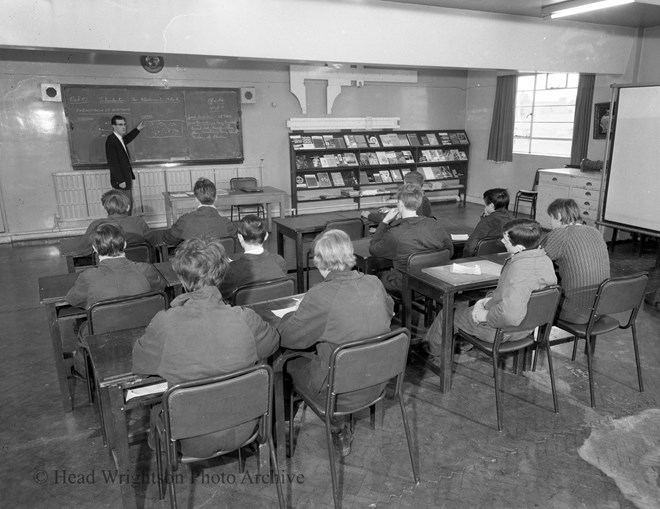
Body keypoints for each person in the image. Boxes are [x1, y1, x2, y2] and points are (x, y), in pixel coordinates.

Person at [132, 237, 279, 458]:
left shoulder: (165, 322)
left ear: (181, 276)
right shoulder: (245, 318)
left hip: (189, 440)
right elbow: (272, 343)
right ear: (221, 274)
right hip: (246, 428)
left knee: (155, 409)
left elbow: (140, 364)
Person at [278, 229, 394, 457]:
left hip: (339, 391)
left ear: (320, 262)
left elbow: (290, 337)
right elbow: (389, 311)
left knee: (282, 364)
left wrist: (290, 318)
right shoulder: (374, 283)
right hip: (378, 381)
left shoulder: (320, 294)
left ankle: (315, 429)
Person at [424, 219, 557, 355]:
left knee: (447, 315)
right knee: (475, 306)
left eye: (506, 239)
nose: (502, 241)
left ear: (520, 248)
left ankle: (431, 352)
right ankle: (465, 344)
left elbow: (511, 316)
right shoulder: (545, 260)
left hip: (502, 331)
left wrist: (485, 316)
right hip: (528, 328)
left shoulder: (518, 268)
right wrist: (487, 301)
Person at [65, 223, 166, 377]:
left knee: (82, 329)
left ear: (95, 248)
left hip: (104, 335)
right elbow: (161, 286)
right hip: (144, 328)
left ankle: (84, 373)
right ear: (125, 244)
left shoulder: (88, 277)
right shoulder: (144, 269)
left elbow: (72, 299)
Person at [369, 183, 453, 293]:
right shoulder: (434, 224)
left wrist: (385, 222)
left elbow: (374, 249)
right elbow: (449, 251)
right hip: (434, 280)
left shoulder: (396, 233)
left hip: (405, 284)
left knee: (373, 277)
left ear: (400, 203)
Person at [541, 198, 610, 323]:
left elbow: (535, 260)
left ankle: (538, 340)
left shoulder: (560, 234)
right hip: (600, 309)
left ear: (559, 216)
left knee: (535, 299)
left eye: (551, 217)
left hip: (574, 313)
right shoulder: (595, 231)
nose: (550, 222)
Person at [218, 214, 287, 300]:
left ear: (240, 238)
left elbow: (220, 295)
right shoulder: (280, 262)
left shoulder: (232, 270)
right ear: (266, 236)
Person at [157, 177, 238, 247]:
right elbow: (236, 241)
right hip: (218, 263)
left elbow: (169, 239)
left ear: (195, 199)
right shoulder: (226, 223)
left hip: (193, 262)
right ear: (216, 198)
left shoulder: (185, 220)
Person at [70, 189, 154, 256]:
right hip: (139, 266)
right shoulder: (138, 221)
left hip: (108, 270)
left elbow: (81, 250)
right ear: (128, 207)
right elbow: (153, 242)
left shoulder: (97, 225)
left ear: (105, 208)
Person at [105, 115, 144, 215]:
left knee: (128, 204)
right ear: (113, 126)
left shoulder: (119, 139)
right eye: (120, 124)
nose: (124, 127)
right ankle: (124, 226)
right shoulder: (111, 140)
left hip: (125, 178)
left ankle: (126, 223)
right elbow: (112, 163)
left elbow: (127, 139)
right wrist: (120, 180)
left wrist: (137, 129)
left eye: (124, 124)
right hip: (121, 181)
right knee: (124, 205)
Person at [361, 170, 433, 223]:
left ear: (407, 184)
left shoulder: (408, 198)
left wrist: (369, 215)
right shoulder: (423, 199)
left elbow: (387, 218)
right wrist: (391, 210)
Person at [462, 188, 513, 257]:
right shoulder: (512, 221)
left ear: (492, 205)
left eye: (485, 205)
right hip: (501, 257)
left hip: (480, 259)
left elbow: (470, 246)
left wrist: (465, 259)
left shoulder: (487, 221)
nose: (484, 207)